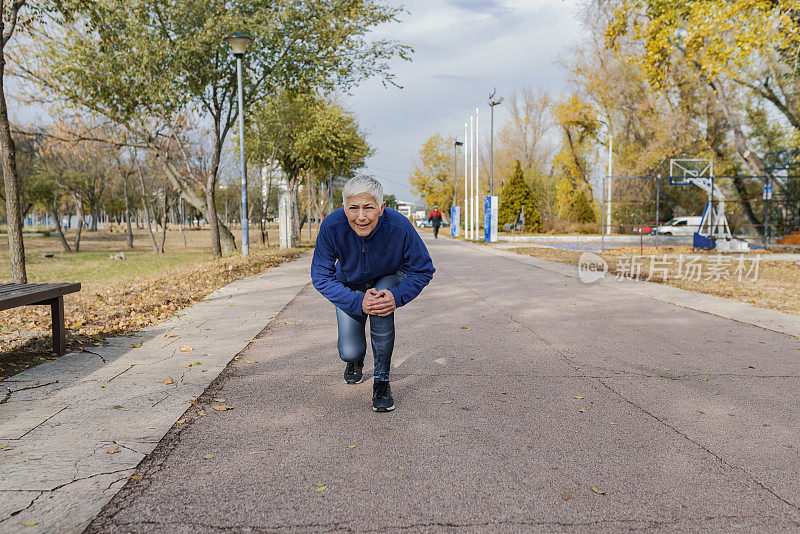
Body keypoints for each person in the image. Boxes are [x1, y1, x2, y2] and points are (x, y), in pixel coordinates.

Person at [311, 176, 435, 412]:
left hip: (389, 278)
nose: (361, 216)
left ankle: (382, 382)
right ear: (343, 208)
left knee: (381, 298)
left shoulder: (399, 226)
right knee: (349, 351)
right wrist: (358, 302)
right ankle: (356, 360)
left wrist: (396, 297)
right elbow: (321, 276)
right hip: (350, 285)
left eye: (368, 207)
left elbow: (423, 269)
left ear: (381, 208)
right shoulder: (332, 226)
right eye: (353, 208)